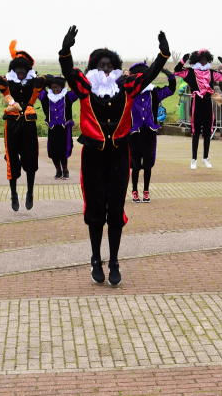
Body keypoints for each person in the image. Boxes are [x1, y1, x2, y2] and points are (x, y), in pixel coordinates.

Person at [59, 25, 170, 286]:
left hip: (120, 156)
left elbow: (151, 73)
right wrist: (66, 49)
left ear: (116, 68)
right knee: (95, 210)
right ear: (94, 68)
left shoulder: (129, 86)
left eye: (110, 66)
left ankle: (115, 260)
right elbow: (67, 71)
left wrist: (163, 54)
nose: (106, 70)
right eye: (101, 65)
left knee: (116, 210)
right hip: (93, 157)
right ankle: (96, 258)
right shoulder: (85, 87)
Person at [0, 41, 47, 211]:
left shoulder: (34, 82)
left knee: (30, 158)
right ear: (14, 69)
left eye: (23, 69)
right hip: (12, 124)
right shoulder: (8, 82)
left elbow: (50, 79)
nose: (20, 72)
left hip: (28, 124)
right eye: (18, 69)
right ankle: (13, 194)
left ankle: (30, 192)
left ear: (28, 69)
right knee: (12, 159)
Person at [173, 50, 222, 168]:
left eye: (205, 60)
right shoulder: (190, 72)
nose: (204, 62)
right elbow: (177, 72)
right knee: (195, 131)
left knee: (207, 131)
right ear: (197, 61)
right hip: (197, 102)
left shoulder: (211, 73)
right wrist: (182, 61)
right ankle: (193, 159)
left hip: (207, 102)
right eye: (201, 60)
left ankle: (205, 158)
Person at [128, 64, 176, 202]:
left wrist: (170, 77)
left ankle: (146, 190)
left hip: (149, 131)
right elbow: (116, 91)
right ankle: (134, 190)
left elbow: (171, 90)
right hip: (135, 132)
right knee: (135, 164)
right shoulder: (130, 93)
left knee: (148, 163)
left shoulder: (154, 92)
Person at [38, 75, 78, 180]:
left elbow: (78, 90)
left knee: (63, 150)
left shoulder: (68, 96)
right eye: (53, 87)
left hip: (64, 128)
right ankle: (58, 170)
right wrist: (42, 79)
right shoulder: (45, 96)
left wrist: (72, 77)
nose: (55, 89)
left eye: (57, 87)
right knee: (53, 150)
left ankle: (65, 170)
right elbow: (36, 89)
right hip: (52, 128)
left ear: (61, 87)